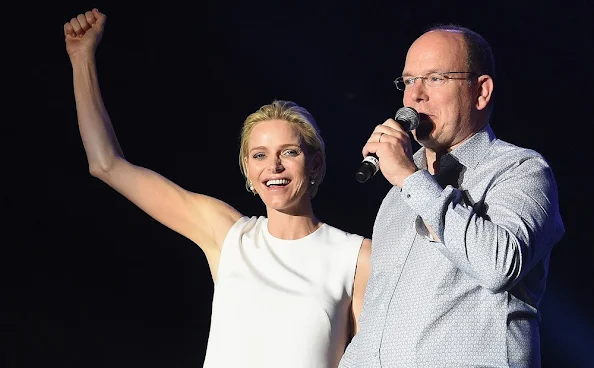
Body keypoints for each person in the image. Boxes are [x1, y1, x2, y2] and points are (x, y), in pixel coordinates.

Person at [63, 8, 371, 368]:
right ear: (247, 168)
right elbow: (106, 164)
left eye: (288, 152)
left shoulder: (355, 257)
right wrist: (81, 57)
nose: (273, 167)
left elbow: (374, 359)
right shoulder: (228, 235)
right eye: (259, 155)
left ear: (315, 163)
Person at [339, 24, 564, 368]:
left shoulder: (521, 170)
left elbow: (499, 265)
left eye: (435, 78)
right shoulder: (397, 194)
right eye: (409, 80)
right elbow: (377, 317)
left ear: (481, 91)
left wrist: (410, 179)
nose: (415, 95)